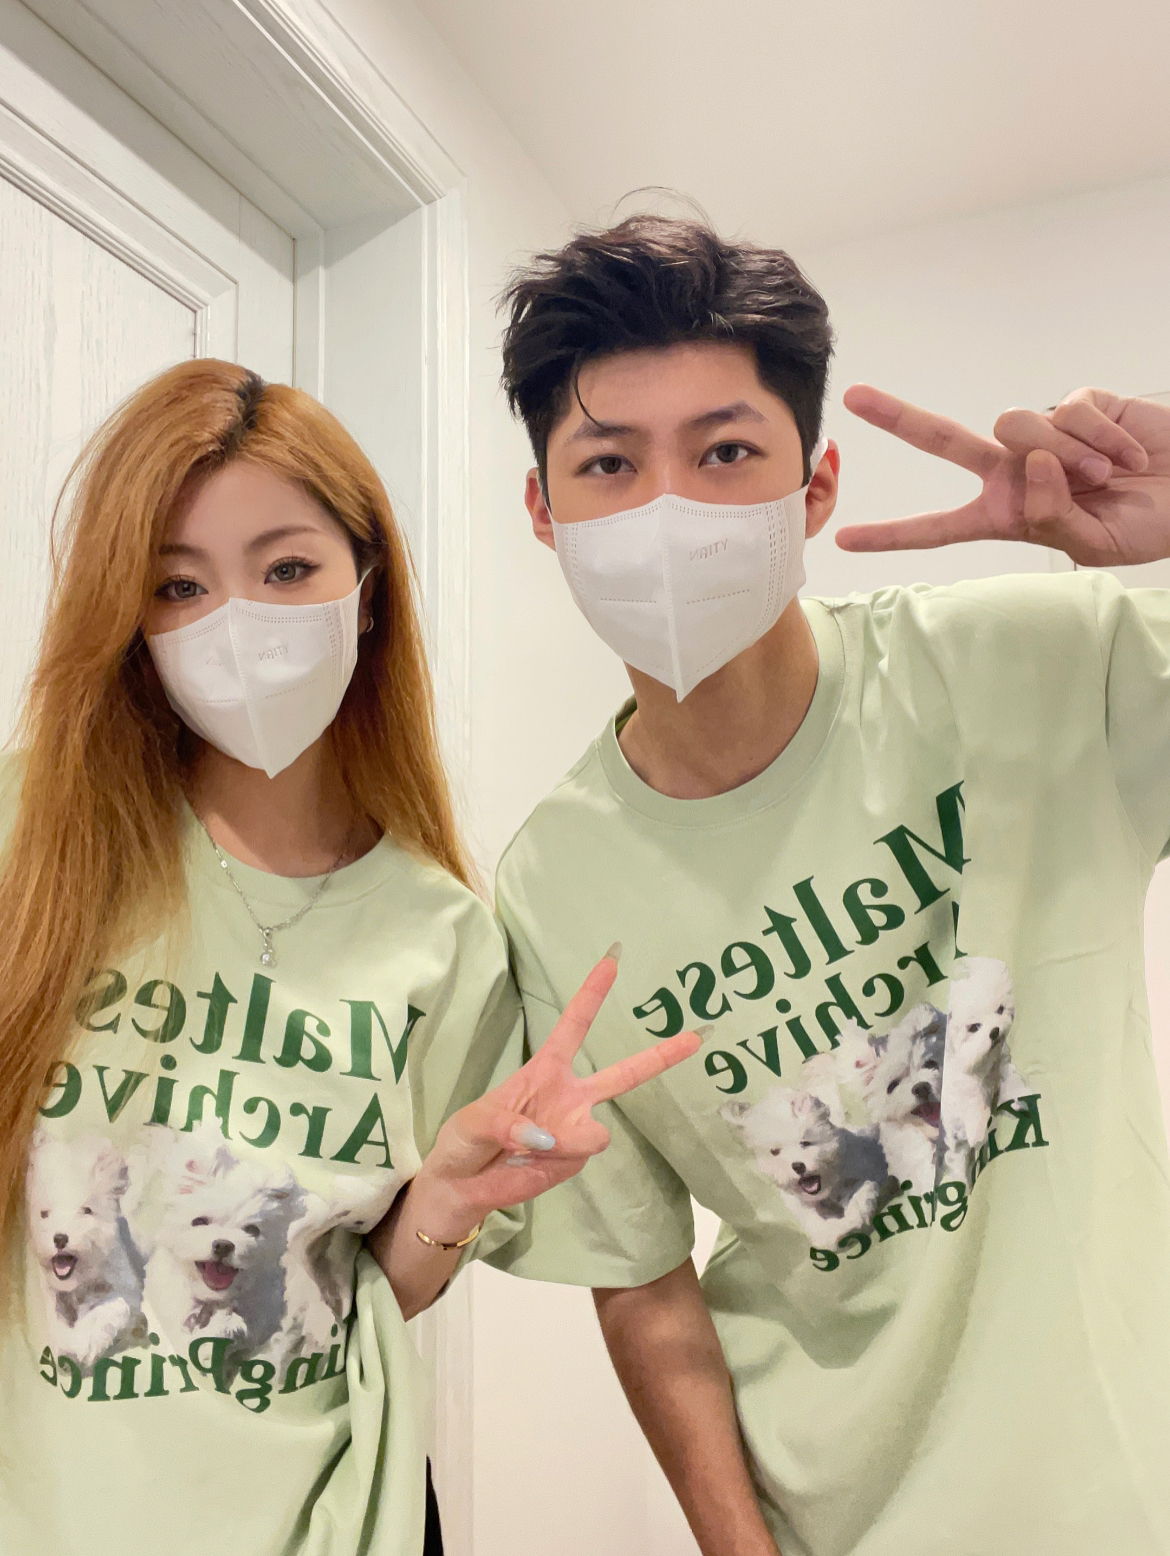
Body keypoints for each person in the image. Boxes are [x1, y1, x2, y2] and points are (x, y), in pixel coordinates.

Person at [487, 214, 1170, 1556]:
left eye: (724, 452)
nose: (667, 509)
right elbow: (640, 1274)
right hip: (830, 1521)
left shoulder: (1028, 662)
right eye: (609, 463)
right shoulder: (550, 882)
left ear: (814, 488)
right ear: (543, 512)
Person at [0, 358, 699, 1556]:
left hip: (338, 1513)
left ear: (367, 591)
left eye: (287, 570)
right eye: (178, 585)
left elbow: (372, 1285)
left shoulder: (446, 936)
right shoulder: (40, 836)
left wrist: (448, 1201)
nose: (238, 622)